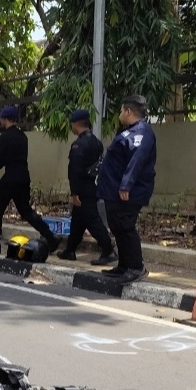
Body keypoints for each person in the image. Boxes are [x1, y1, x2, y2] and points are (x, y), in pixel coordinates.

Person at [0, 106, 58, 253]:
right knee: (25, 210)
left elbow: (1, 160)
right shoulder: (23, 136)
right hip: (23, 176)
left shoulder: (5, 137)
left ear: (5, 119)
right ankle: (50, 236)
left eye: (1, 118)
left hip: (10, 177)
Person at [97, 95, 157, 283]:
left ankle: (136, 267)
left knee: (125, 226)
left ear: (128, 111)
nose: (120, 114)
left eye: (121, 110)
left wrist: (126, 184)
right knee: (116, 226)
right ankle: (124, 265)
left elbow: (136, 161)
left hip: (129, 191)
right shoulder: (128, 131)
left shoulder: (142, 133)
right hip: (114, 190)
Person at [57, 109, 117, 264]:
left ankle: (108, 250)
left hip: (83, 189)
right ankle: (70, 250)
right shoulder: (96, 142)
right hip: (93, 186)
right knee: (78, 220)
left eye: (72, 124)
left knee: (92, 220)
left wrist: (74, 192)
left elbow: (75, 170)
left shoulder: (79, 145)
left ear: (76, 124)